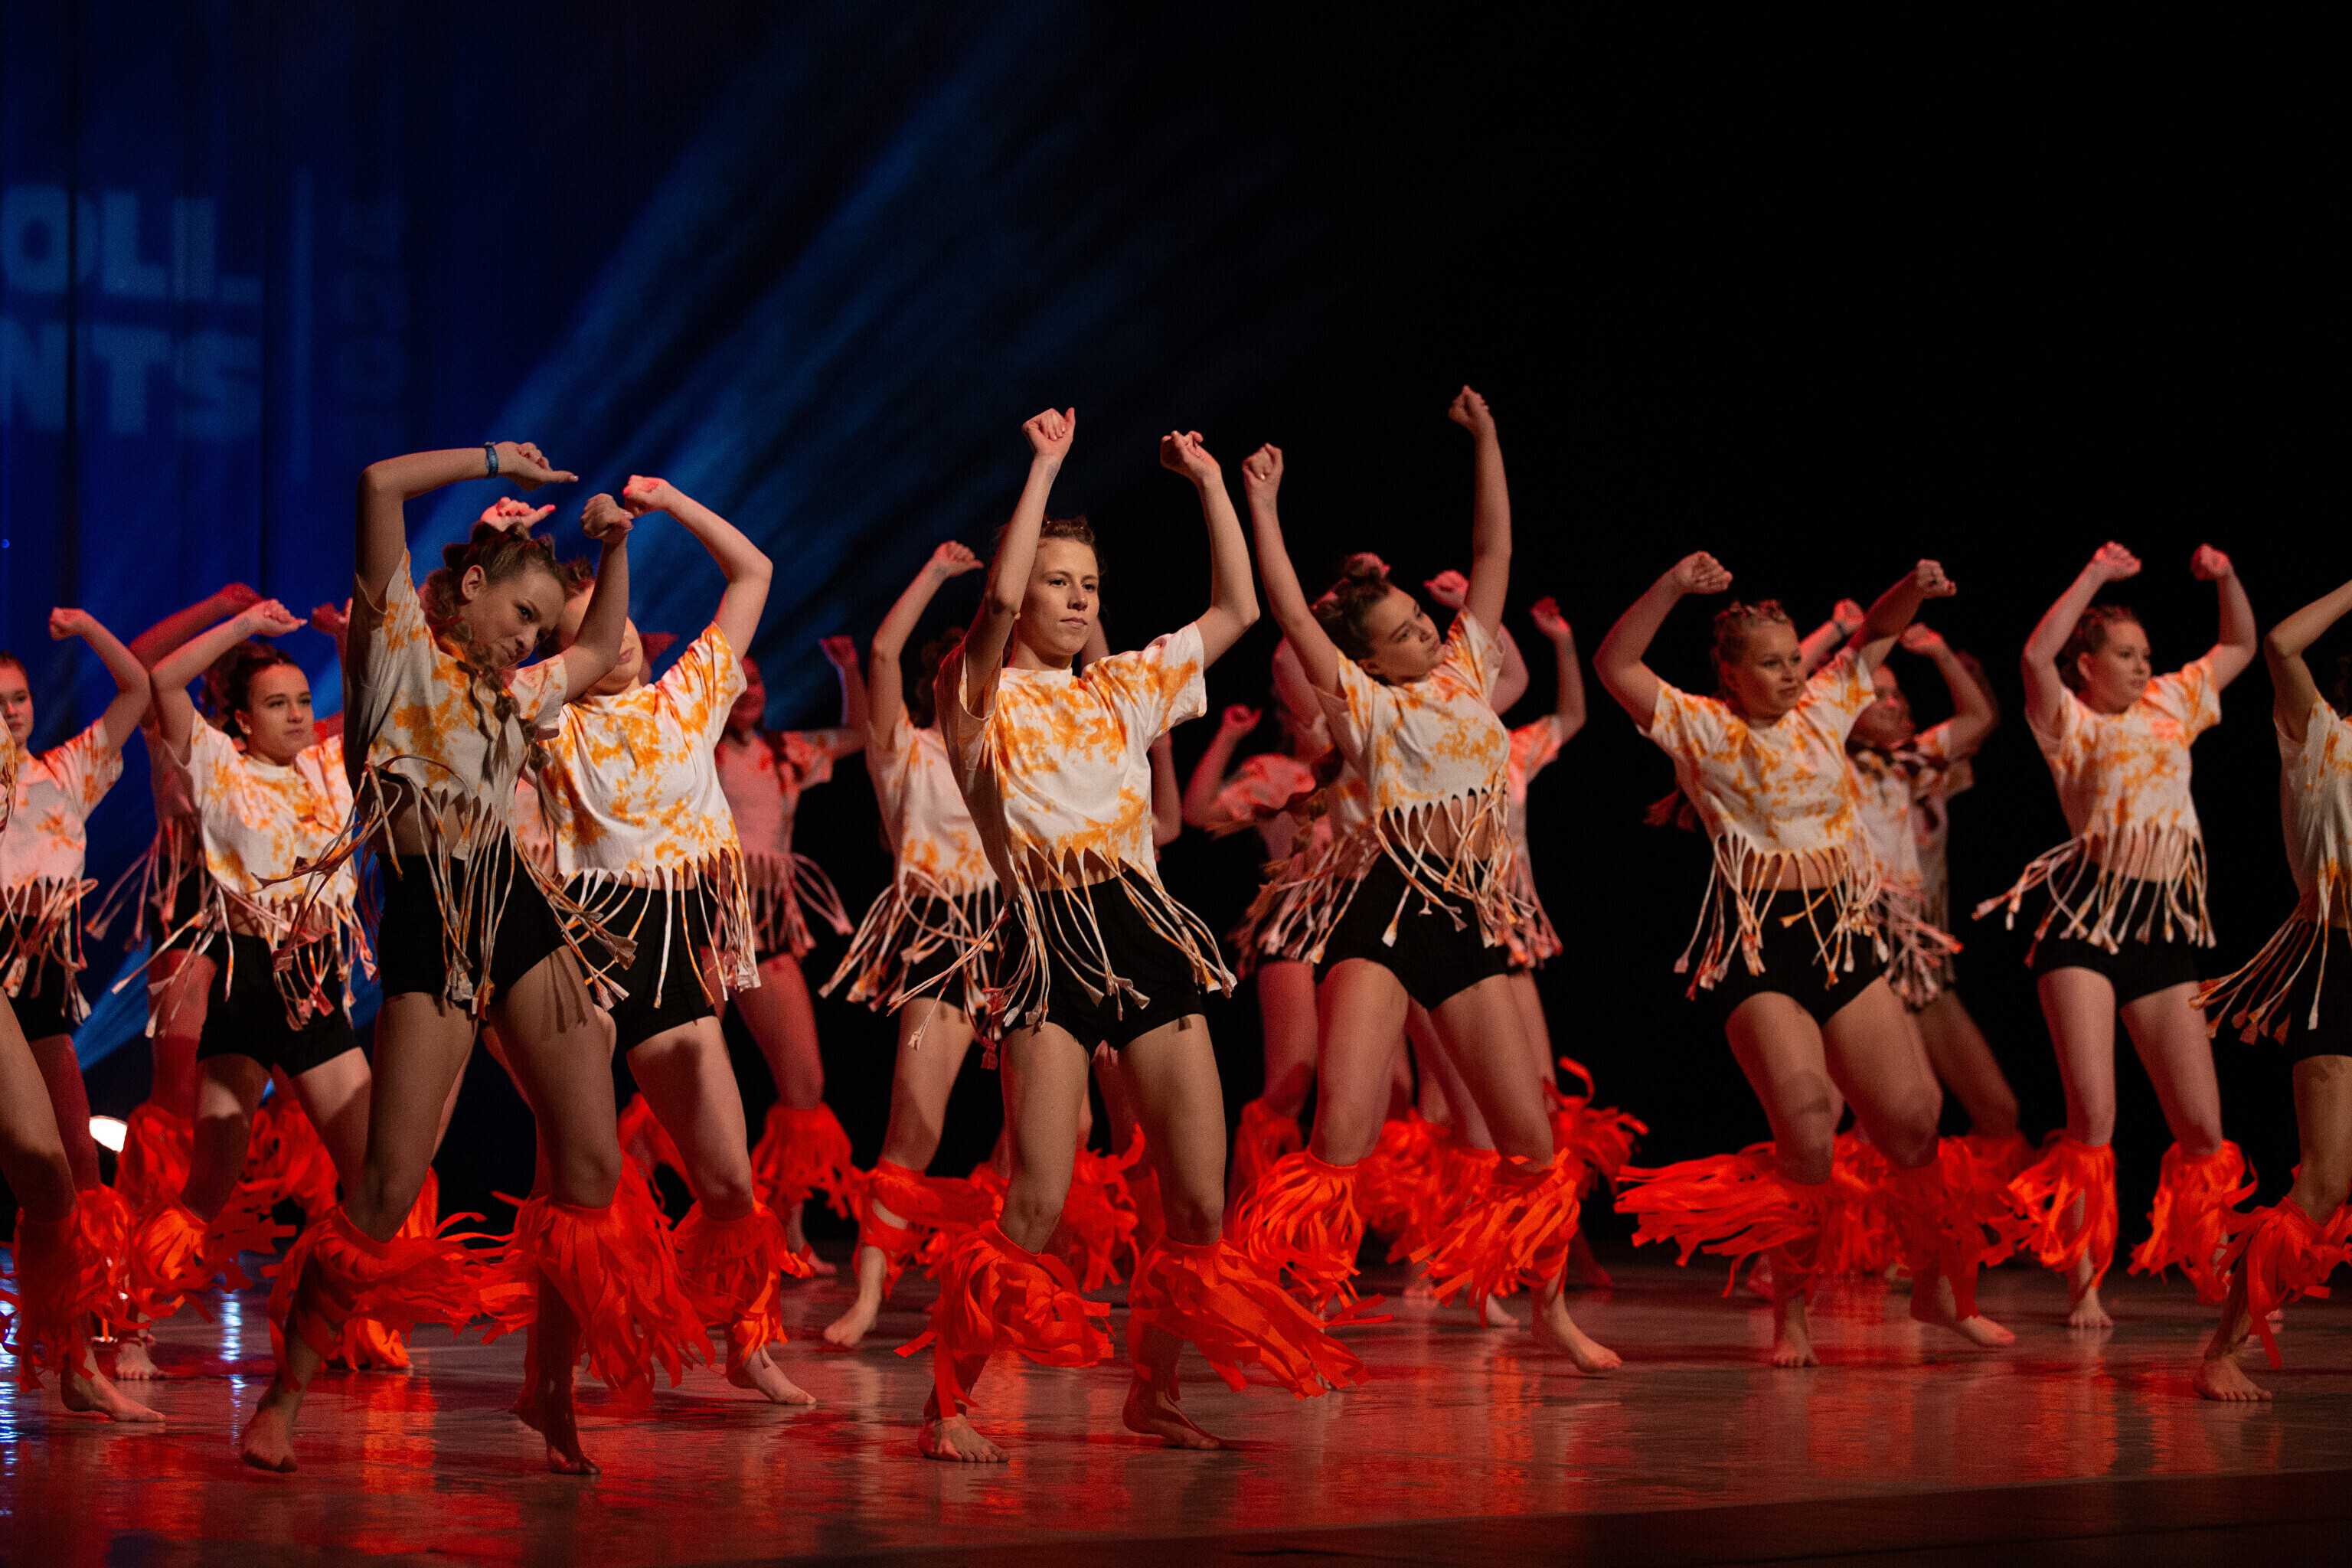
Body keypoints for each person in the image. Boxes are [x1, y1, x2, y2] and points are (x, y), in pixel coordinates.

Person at [910, 407, 1357, 1463]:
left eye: (1089, 585)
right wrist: (1044, 466)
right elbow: (998, 600)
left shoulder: (1120, 687)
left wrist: (1213, 485)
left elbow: (1237, 605)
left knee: (1196, 1200)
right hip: (1046, 940)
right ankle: (947, 1403)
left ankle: (1151, 1392)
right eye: (1059, 582)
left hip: (1144, 933)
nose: (1076, 599)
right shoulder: (974, 695)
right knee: (1036, 1200)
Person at [236, 441, 681, 1477]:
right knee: (390, 1182)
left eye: (538, 627)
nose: (531, 637)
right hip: (432, 919)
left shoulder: (516, 695)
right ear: (471, 586)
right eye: (521, 615)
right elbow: (374, 483)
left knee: (591, 1165)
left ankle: (547, 1388)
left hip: (516, 908)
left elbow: (599, 641)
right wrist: (490, 462)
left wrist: (616, 545)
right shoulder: (394, 649)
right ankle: (284, 1396)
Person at [1231, 388, 1616, 1370]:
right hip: (1381, 917)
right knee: (1343, 1130)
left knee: (1530, 1138)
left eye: (1421, 620)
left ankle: (1549, 1308)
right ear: (1365, 657)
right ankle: (1296, 1298)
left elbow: (1493, 552)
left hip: (1467, 921)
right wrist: (1263, 506)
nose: (1426, 634)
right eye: (1404, 630)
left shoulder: (1465, 670)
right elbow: (1289, 610)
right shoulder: (1359, 704)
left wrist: (1488, 439)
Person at [1596, 552, 2013, 1366]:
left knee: (1914, 1120)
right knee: (1809, 1132)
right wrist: (1672, 586)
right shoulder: (1701, 727)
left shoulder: (1825, 705)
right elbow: (1616, 663)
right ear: (1731, 673)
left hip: (1844, 935)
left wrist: (1914, 587)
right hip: (1761, 949)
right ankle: (1792, 1314)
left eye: (1795, 658)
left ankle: (1936, 1291)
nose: (1792, 672)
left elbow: (1876, 631)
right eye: (1772, 663)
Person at [536, 474, 815, 1406]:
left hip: (670, 954)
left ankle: (749, 1339)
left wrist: (671, 501)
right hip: (581, 955)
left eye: (618, 617)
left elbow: (753, 571)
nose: (613, 635)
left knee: (730, 1183)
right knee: (573, 1180)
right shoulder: (548, 721)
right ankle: (558, 1359)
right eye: (588, 627)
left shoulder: (688, 693)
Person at [127, 603, 433, 1368]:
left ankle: (339, 1318)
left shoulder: (330, 764)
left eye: (302, 700)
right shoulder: (217, 765)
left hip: (319, 989)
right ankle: (129, 1317)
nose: (297, 714)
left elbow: (382, 695)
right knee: (208, 1185)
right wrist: (241, 627)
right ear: (241, 718)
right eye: (276, 704)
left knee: (376, 1178)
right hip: (250, 985)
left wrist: (345, 639)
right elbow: (163, 679)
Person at [1981, 543, 2256, 1329]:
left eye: (2146, 654)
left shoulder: (2172, 700)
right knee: (2094, 1116)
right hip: (2084, 927)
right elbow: (2033, 655)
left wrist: (2226, 577)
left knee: (2201, 1124)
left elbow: (2238, 644)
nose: (2143, 665)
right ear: (2088, 664)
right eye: (2127, 654)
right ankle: (2084, 1284)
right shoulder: (2066, 721)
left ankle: (2212, 1268)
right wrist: (2096, 575)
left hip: (2161, 930)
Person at [819, 541, 1008, 1348]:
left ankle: (989, 1261)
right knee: (915, 1126)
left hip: (1017, 946)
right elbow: (883, 654)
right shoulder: (906, 752)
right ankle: (868, 1296)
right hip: (939, 948)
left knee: (1061, 1128)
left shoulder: (1008, 757)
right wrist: (933, 573)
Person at [2194, 573, 2352, 1399]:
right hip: (2338, 963)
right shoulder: (2321, 735)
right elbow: (2283, 644)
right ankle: (2222, 1348)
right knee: (2325, 1180)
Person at [0, 710, 162, 1424]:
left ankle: (77, 1364)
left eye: (17, 699)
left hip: (25, 991)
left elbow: (135, 691)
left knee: (50, 1170)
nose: (11, 713)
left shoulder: (43, 778)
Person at [718, 637, 867, 1267]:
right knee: (677, 1085)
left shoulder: (785, 752)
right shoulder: (692, 749)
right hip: (709, 928)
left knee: (805, 1084)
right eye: (736, 681)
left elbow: (859, 733)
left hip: (770, 931)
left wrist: (849, 670)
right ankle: (642, 1231)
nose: (749, 691)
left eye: (756, 680)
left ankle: (788, 1233)